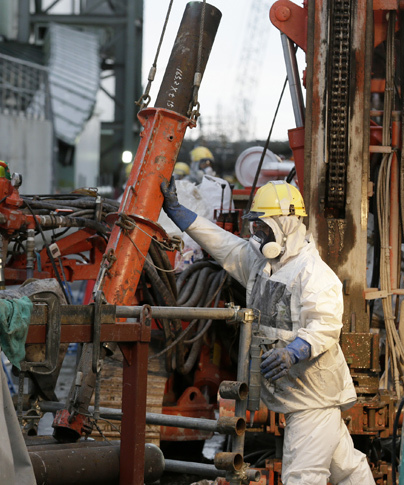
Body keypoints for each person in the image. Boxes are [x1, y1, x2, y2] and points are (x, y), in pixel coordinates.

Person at [161, 179, 375, 485]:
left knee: (302, 477)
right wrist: (178, 213)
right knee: (347, 467)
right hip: (295, 392)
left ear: (285, 225)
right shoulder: (261, 262)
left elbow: (325, 325)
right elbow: (223, 244)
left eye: (263, 228)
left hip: (313, 396)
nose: (258, 235)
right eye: (256, 228)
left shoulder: (313, 273)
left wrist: (294, 351)